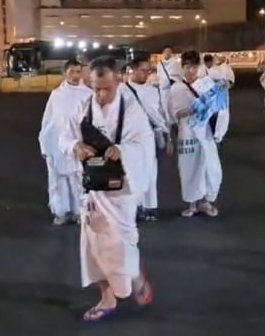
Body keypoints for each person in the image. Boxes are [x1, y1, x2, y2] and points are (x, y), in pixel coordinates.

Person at [59, 56, 154, 321]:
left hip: (121, 190)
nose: (100, 94)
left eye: (106, 88)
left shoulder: (132, 110)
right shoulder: (82, 107)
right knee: (95, 247)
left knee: (122, 242)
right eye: (96, 88)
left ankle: (132, 272)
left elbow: (145, 145)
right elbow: (64, 136)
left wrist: (122, 150)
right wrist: (75, 147)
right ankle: (107, 298)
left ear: (118, 81)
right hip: (93, 189)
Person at [168, 50, 223, 218]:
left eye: (194, 67)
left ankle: (206, 201)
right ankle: (192, 203)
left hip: (205, 133)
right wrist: (193, 108)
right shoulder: (177, 88)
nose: (191, 71)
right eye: (187, 67)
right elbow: (174, 114)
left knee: (210, 167)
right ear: (182, 67)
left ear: (198, 67)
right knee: (189, 168)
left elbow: (218, 109)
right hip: (187, 133)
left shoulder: (207, 85)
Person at [38, 59, 92, 226]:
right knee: (58, 179)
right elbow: (48, 121)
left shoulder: (88, 94)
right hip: (57, 144)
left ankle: (79, 211)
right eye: (72, 72)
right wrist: (44, 144)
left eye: (78, 71)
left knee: (79, 179)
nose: (75, 75)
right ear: (65, 73)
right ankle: (60, 211)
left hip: (79, 143)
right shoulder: (57, 95)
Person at [122, 56, 171, 221]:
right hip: (128, 138)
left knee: (150, 171)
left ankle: (149, 206)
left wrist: (167, 135)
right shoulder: (122, 91)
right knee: (131, 172)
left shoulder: (152, 90)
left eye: (148, 71)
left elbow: (159, 114)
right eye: (143, 70)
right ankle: (134, 206)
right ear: (133, 70)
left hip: (149, 138)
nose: (146, 74)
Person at [209, 56, 235, 143]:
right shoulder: (207, 67)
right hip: (210, 95)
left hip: (221, 95)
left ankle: (218, 134)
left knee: (222, 114)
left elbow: (230, 80)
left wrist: (226, 83)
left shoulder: (226, 68)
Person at [156, 45, 182, 115]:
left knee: (172, 106)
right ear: (163, 53)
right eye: (165, 52)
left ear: (171, 53)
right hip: (163, 89)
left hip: (172, 87)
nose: (167, 53)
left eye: (169, 52)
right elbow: (159, 75)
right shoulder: (159, 64)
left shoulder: (175, 63)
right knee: (164, 106)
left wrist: (172, 80)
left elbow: (179, 75)